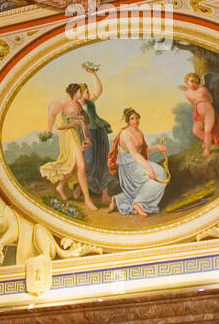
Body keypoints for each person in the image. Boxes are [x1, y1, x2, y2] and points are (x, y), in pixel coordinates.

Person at [39, 83, 98, 210]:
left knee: (73, 166)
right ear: (74, 92)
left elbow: (86, 119)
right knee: (81, 166)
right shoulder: (64, 102)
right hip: (66, 134)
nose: (81, 94)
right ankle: (88, 200)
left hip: (76, 134)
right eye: (79, 92)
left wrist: (80, 121)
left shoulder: (78, 104)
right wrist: (49, 129)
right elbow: (52, 113)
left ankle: (60, 186)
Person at [107, 108, 169, 217]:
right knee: (159, 176)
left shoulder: (139, 132)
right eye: (132, 119)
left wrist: (158, 147)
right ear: (128, 121)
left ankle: (119, 199)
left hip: (137, 163)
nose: (135, 121)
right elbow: (135, 154)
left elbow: (143, 151)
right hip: (129, 168)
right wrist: (149, 169)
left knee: (161, 174)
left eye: (137, 118)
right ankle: (139, 203)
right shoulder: (125, 134)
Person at [77, 64, 113, 203]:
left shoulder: (90, 102)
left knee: (103, 160)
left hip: (99, 131)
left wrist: (93, 74)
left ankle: (105, 193)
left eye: (87, 91)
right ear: (79, 93)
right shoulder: (76, 105)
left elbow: (99, 89)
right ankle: (80, 187)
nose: (88, 93)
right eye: (85, 91)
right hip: (88, 134)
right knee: (89, 161)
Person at [181, 72, 219, 157]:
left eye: (196, 82)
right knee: (195, 131)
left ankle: (207, 149)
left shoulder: (202, 89)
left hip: (209, 111)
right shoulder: (187, 94)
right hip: (199, 114)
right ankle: (208, 140)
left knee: (207, 131)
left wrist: (204, 105)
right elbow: (193, 102)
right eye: (192, 81)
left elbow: (210, 99)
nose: (194, 84)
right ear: (187, 81)